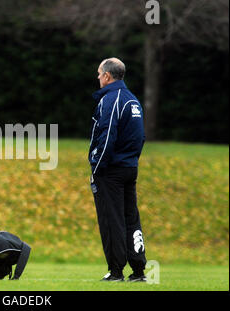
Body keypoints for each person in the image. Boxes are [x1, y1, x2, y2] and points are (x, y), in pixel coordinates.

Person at [88, 57, 147, 282]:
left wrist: (97, 167)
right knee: (131, 218)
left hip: (110, 170)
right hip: (130, 168)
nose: (97, 77)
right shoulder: (133, 100)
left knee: (111, 218)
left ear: (107, 76)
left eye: (99, 73)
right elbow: (140, 137)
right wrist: (131, 161)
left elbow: (107, 136)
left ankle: (116, 272)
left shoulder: (110, 100)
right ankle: (139, 270)